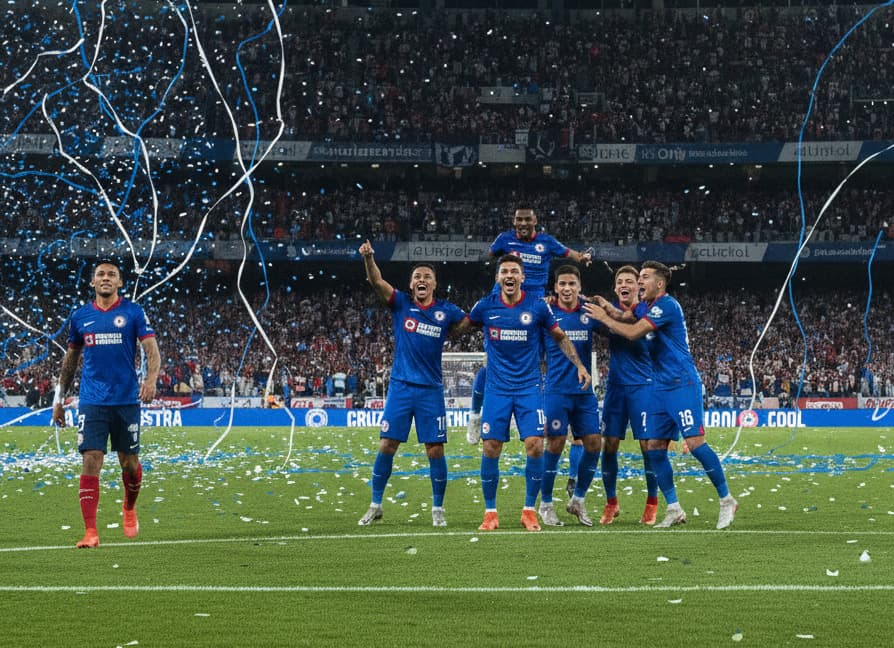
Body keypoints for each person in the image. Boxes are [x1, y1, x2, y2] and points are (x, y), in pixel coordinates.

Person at [584, 260, 738, 530]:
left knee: (696, 442)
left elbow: (632, 332)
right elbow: (627, 316)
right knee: (654, 447)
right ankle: (674, 508)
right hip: (658, 385)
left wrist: (603, 317)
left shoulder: (667, 306)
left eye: (644, 277)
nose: (639, 282)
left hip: (681, 383)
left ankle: (726, 500)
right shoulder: (647, 306)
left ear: (660, 283)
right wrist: (606, 307)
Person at [459, 255, 591, 531]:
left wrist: (579, 365)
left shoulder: (537, 308)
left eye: (514, 271)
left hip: (529, 388)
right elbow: (460, 327)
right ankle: (490, 513)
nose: (509, 275)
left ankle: (529, 510)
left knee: (536, 445)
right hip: (497, 389)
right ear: (498, 278)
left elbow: (560, 337)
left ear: (522, 278)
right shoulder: (485, 307)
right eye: (504, 271)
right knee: (490, 447)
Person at [357, 240, 467, 527]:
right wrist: (369, 258)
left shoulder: (447, 311)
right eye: (417, 277)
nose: (422, 280)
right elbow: (376, 281)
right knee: (387, 445)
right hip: (401, 387)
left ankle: (438, 509)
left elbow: (470, 324)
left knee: (435, 450)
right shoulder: (401, 303)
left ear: (434, 284)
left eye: (427, 277)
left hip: (430, 390)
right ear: (411, 283)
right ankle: (376, 504)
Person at [52, 260, 160, 548]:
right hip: (92, 400)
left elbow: (151, 349)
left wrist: (150, 380)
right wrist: (58, 399)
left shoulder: (133, 312)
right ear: (92, 282)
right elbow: (70, 361)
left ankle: (129, 506)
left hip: (126, 399)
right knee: (91, 460)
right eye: (100, 274)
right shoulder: (81, 316)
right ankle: (90, 532)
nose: (106, 278)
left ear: (120, 282)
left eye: (112, 274)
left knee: (129, 463)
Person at [467, 207, 593, 444]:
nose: (523, 223)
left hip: (534, 307)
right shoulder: (505, 239)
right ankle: (475, 415)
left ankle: (557, 417)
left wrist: (583, 257)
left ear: (535, 220)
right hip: (503, 306)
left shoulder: (546, 242)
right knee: (490, 364)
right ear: (513, 222)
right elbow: (487, 256)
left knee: (548, 357)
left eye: (527, 219)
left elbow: (570, 254)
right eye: (518, 219)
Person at [589, 265, 660, 525]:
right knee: (610, 446)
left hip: (643, 387)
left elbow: (626, 325)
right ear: (615, 287)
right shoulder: (612, 313)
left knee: (647, 447)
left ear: (638, 286)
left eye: (630, 280)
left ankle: (652, 503)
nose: (624, 284)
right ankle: (611, 503)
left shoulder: (646, 312)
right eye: (620, 281)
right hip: (616, 388)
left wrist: (606, 312)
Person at [539, 265, 603, 527]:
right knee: (554, 445)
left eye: (571, 284)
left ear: (579, 287)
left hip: (584, 390)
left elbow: (614, 327)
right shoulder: (546, 311)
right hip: (556, 389)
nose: (567, 288)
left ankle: (578, 499)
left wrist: (607, 307)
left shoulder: (588, 312)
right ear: (555, 287)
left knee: (594, 444)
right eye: (562, 284)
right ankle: (545, 504)